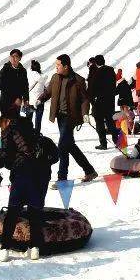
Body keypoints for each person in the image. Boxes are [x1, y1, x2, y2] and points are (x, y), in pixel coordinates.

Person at [0, 111, 50, 261]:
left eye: (1, 127)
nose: (1, 130)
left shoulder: (11, 130)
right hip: (40, 178)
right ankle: (34, 249)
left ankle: (5, 249)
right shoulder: (38, 136)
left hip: (22, 175)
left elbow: (6, 154)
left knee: (13, 212)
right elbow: (55, 156)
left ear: (6, 122)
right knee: (35, 213)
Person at [42, 54, 98, 184]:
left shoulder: (78, 80)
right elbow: (49, 92)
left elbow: (85, 99)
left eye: (58, 65)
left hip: (71, 117)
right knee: (69, 145)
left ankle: (62, 178)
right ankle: (89, 170)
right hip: (60, 117)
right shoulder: (55, 77)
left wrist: (85, 113)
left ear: (66, 66)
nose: (56, 68)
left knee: (62, 146)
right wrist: (40, 99)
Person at [87, 54, 120, 150]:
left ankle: (103, 143)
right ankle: (116, 141)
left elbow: (92, 87)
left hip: (99, 102)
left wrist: (91, 99)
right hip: (109, 101)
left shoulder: (96, 72)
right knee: (110, 122)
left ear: (96, 62)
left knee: (99, 123)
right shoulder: (111, 71)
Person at [0, 49, 30, 115]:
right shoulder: (5, 70)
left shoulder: (23, 71)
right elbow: (2, 86)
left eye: (15, 56)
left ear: (20, 58)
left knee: (15, 122)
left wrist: (26, 99)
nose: (13, 58)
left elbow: (25, 86)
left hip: (18, 102)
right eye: (11, 56)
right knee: (6, 123)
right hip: (6, 101)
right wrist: (14, 99)